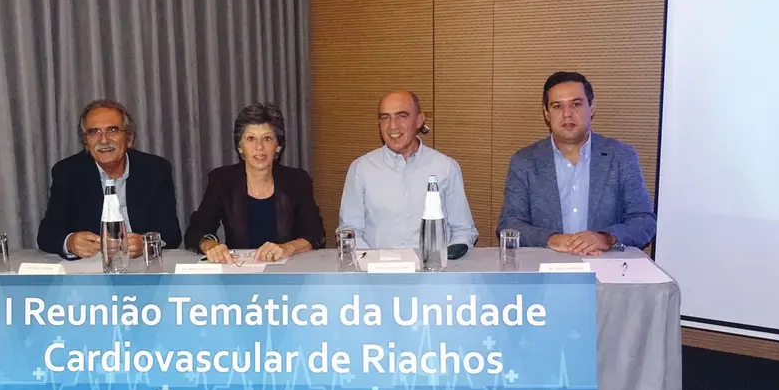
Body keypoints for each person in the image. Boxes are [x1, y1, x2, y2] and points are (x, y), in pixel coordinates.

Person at [497, 72, 656, 255]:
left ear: (591, 107)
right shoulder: (524, 161)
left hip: (604, 264)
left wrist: (607, 238)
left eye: (576, 104)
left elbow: (644, 221)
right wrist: (551, 239)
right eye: (557, 106)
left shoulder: (621, 156)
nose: (567, 114)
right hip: (544, 265)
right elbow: (509, 224)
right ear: (546, 113)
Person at [37, 99, 182, 259]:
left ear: (129, 139)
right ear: (86, 143)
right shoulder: (67, 172)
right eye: (94, 132)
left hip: (143, 262)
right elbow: (48, 233)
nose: (104, 140)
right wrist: (70, 242)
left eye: (112, 130)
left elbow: (171, 233)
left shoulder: (155, 170)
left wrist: (145, 243)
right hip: (91, 266)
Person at [337, 90, 478, 253]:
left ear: (419, 120)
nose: (393, 126)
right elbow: (349, 231)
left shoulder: (445, 167)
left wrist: (446, 259)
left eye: (402, 116)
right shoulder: (361, 169)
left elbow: (463, 231)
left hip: (432, 266)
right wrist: (372, 262)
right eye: (385, 117)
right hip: (376, 266)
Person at [183, 102, 325, 264]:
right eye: (251, 139)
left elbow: (316, 234)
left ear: (277, 146)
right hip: (239, 270)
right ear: (240, 147)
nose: (259, 147)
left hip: (287, 269)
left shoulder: (297, 180)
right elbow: (195, 232)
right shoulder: (222, 180)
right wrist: (211, 246)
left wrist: (288, 248)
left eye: (267, 138)